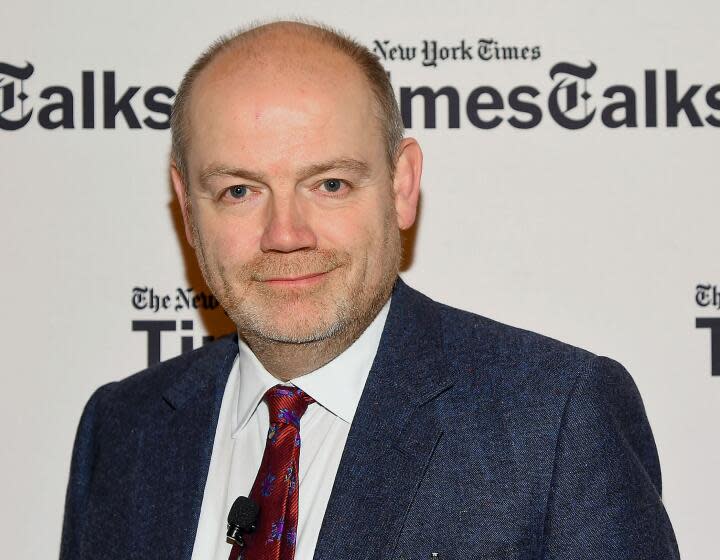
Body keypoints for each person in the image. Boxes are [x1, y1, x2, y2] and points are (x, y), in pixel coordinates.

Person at [59, 20, 680, 560]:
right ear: (188, 211)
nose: (285, 234)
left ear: (402, 185)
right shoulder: (121, 431)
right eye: (239, 191)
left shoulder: (556, 419)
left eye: (328, 184)